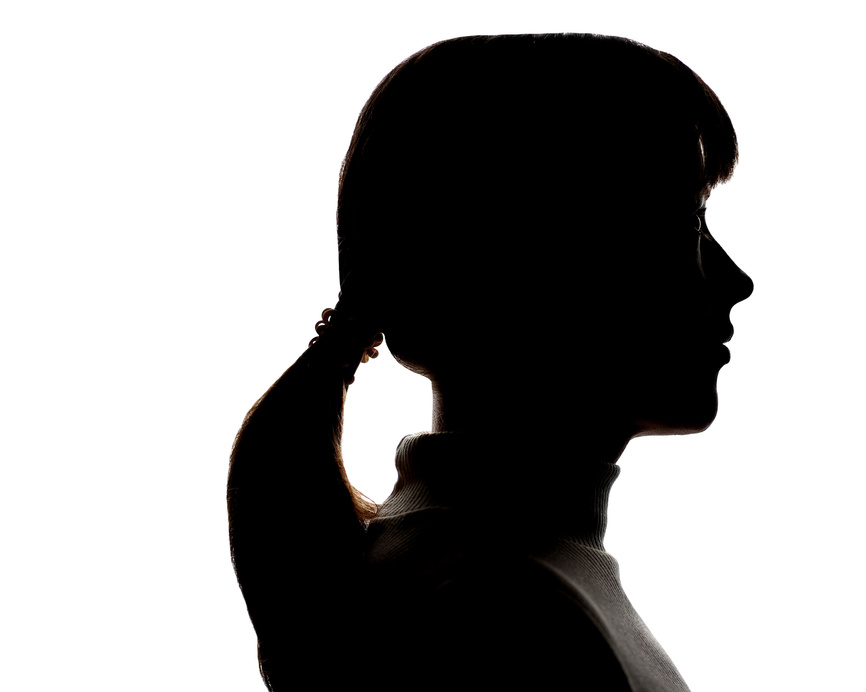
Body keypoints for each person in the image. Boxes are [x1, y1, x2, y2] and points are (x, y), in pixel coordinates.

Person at [228, 33, 753, 692]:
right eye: (688, 225)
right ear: (530, 257)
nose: (737, 280)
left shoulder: (506, 573)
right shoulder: (503, 613)